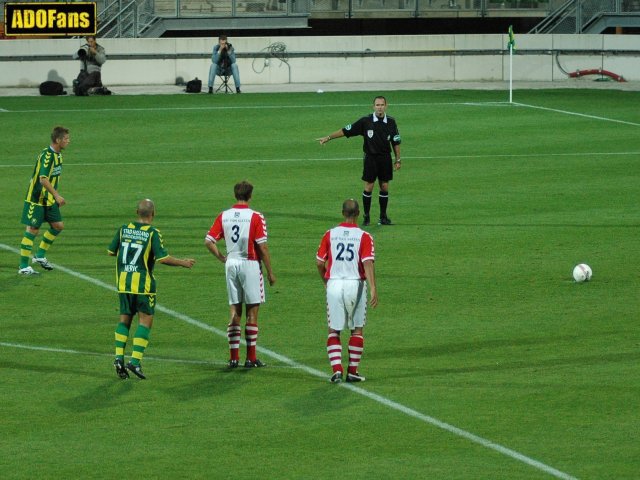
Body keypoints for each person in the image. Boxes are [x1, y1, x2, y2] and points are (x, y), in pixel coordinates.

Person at [109, 199, 196, 380]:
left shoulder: (123, 229)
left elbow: (111, 251)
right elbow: (162, 258)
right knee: (145, 322)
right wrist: (183, 263)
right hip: (143, 285)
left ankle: (118, 358)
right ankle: (134, 361)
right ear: (153, 214)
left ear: (136, 212)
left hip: (124, 282)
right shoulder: (153, 233)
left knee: (124, 320)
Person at [204, 181, 276, 368]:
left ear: (235, 195)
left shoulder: (224, 216)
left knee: (235, 311)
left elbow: (209, 241)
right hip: (250, 263)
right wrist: (270, 272)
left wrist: (222, 257)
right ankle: (251, 358)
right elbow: (262, 246)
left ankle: (233, 357)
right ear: (250, 196)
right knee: (252, 311)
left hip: (231, 263)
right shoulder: (255, 216)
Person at [316, 199, 378, 383]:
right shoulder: (364, 236)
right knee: (356, 329)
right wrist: (373, 288)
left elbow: (320, 262)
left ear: (342, 213)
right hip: (356, 284)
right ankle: (352, 371)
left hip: (334, 283)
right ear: (358, 213)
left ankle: (336, 370)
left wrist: (326, 280)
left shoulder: (330, 234)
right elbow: (367, 262)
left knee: (334, 329)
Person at [317, 96, 402, 226]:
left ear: (386, 106)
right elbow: (346, 130)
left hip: (385, 158)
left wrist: (398, 159)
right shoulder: (365, 121)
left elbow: (395, 142)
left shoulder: (391, 122)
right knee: (369, 186)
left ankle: (383, 217)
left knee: (384, 186)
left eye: (382, 105)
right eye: (377, 105)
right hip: (370, 158)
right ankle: (366, 217)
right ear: (373, 106)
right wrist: (328, 137)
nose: (380, 107)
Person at [18, 126, 70, 275]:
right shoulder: (47, 156)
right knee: (33, 230)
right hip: (36, 199)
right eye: (66, 139)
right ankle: (23, 267)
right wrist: (57, 195)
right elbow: (43, 179)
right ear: (57, 140)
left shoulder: (58, 155)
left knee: (58, 226)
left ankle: (39, 255)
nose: (68, 141)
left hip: (48, 199)